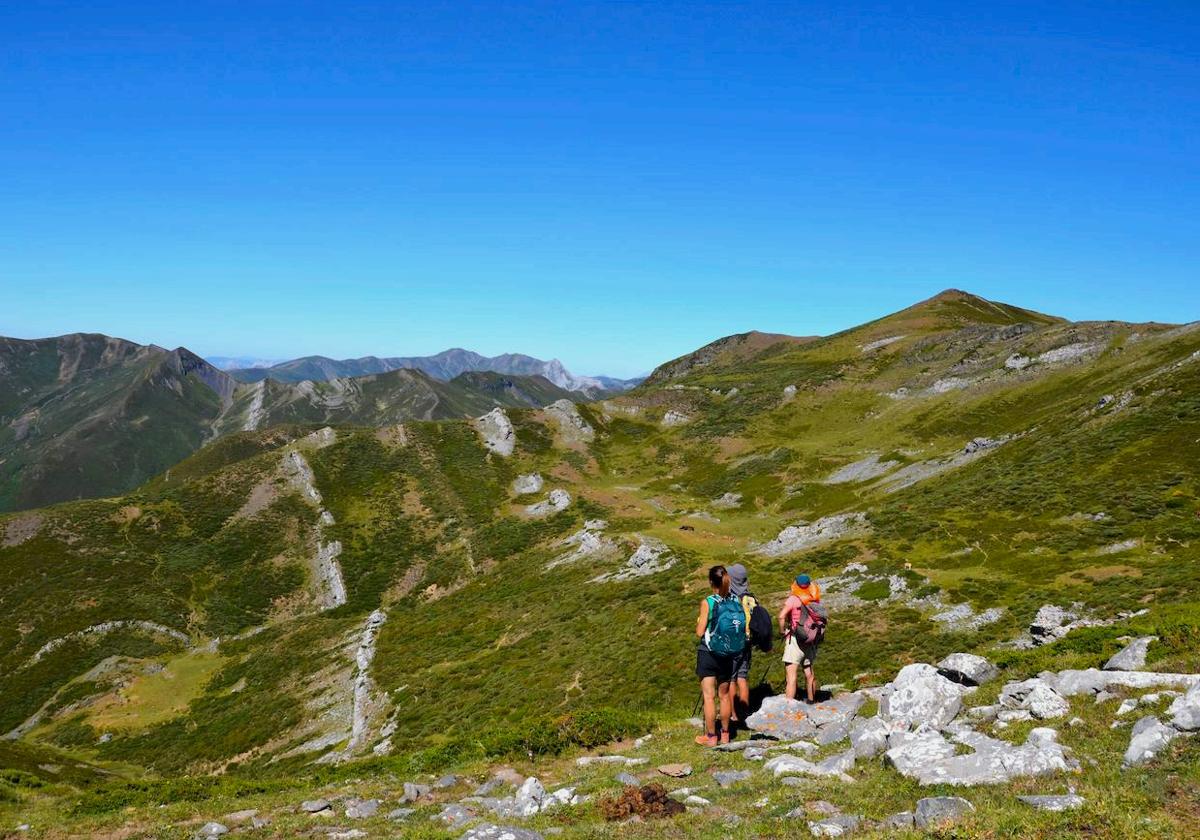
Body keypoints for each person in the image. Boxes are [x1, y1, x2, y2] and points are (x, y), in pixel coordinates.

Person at [694, 564, 744, 746]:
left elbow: (700, 632)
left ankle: (711, 737)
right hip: (728, 653)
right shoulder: (735, 600)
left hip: (709, 653)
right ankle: (725, 735)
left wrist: (700, 622)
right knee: (724, 695)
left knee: (709, 696)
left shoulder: (708, 602)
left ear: (710, 582)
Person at [778, 573, 822, 703]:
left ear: (796, 584)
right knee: (809, 673)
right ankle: (811, 700)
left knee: (791, 676)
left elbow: (781, 616)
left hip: (795, 639)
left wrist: (782, 631)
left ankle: (789, 707)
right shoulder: (814, 598)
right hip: (810, 639)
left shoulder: (793, 599)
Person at [726, 563, 754, 728]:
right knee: (742, 678)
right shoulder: (749, 598)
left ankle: (733, 714)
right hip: (747, 642)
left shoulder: (730, 599)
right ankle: (745, 713)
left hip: (731, 644)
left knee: (730, 679)